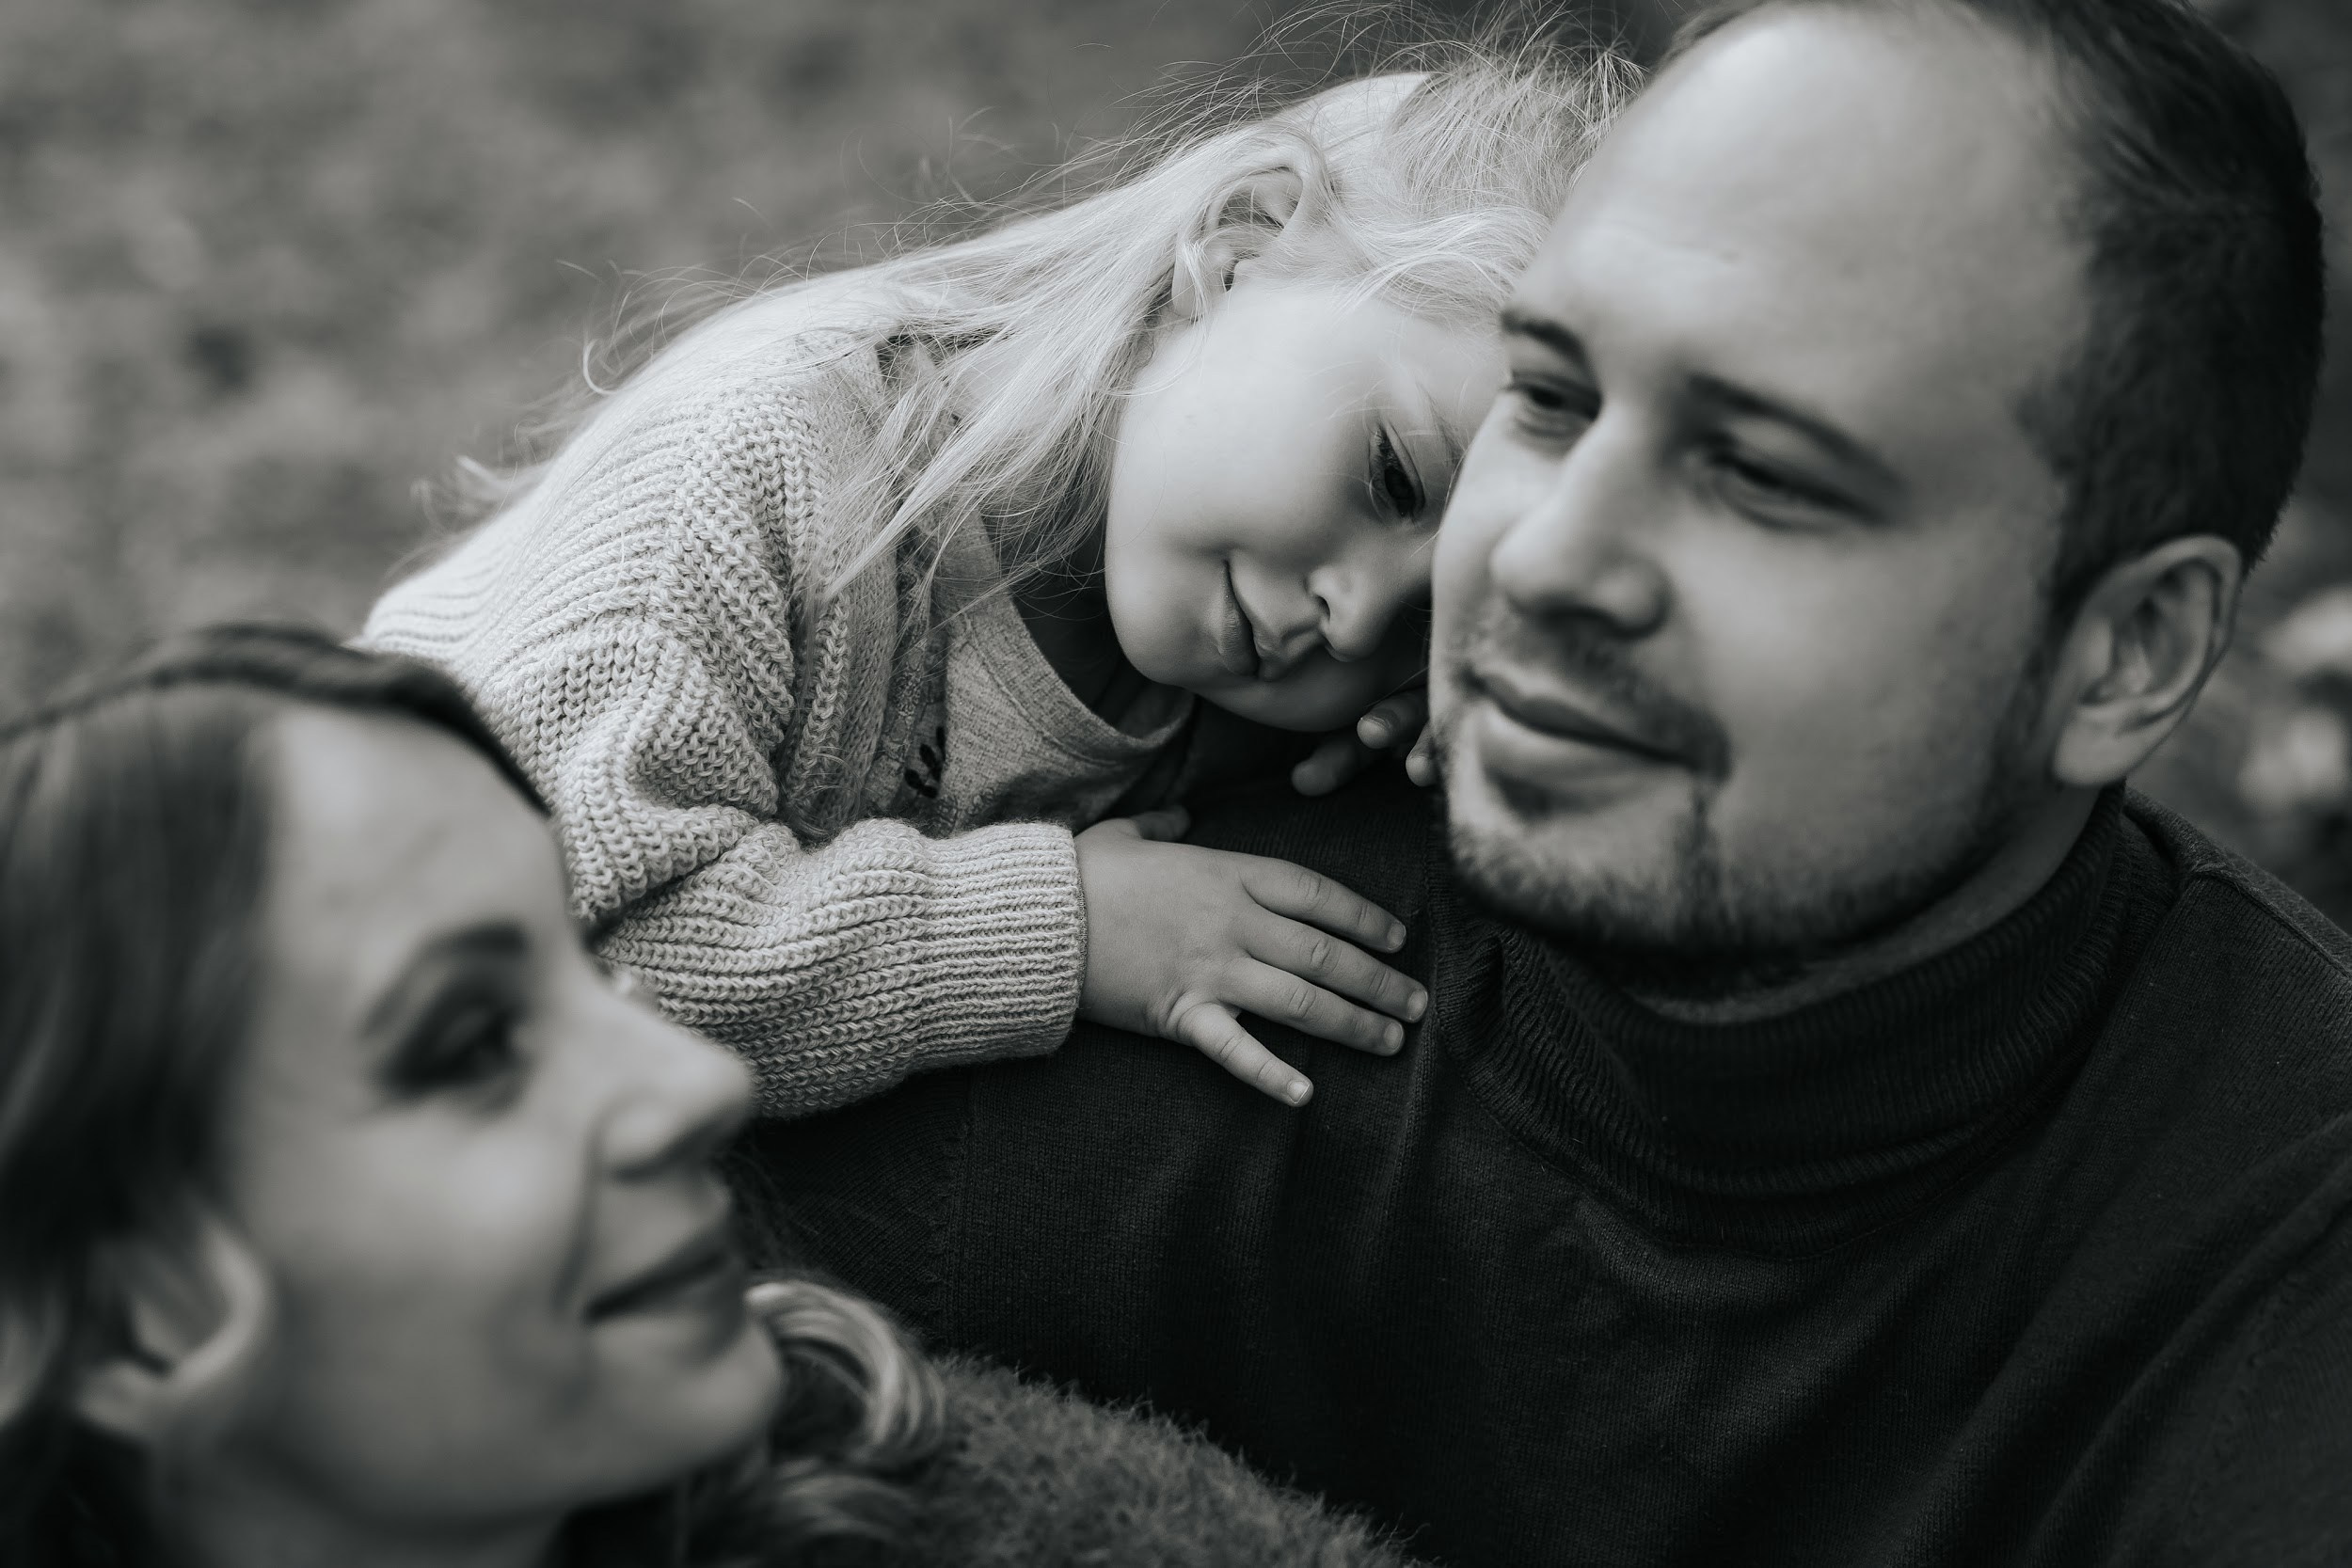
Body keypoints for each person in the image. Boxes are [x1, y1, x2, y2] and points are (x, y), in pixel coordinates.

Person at [753, 0, 2352, 1562]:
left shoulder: (2279, 1257)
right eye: (1550, 396)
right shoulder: (1124, 1009)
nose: (1543, 553)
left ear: (2127, 652)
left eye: (1762, 476)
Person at [361, 40, 1632, 1114]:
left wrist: (1416, 738)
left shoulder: (1219, 666)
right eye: (1397, 476)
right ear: (1236, 249)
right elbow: (568, 963)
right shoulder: (763, 464)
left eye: (1423, 623)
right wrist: (1064, 931)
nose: (1352, 614)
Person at [0, 626, 1422, 1567]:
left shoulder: (981, 1513)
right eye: (474, 1046)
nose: (699, 1080)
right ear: (138, 1311)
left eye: (583, 971)